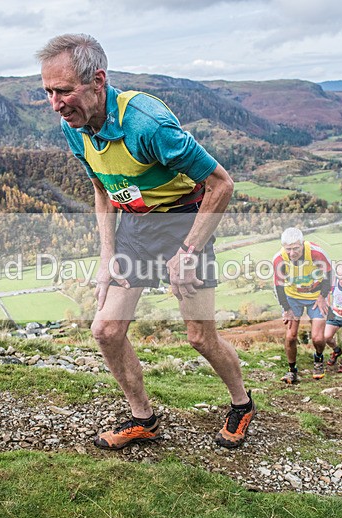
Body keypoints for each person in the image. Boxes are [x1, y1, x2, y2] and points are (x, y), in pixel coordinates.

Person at [37, 34, 254, 450]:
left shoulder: (147, 124)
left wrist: (188, 252)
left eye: (63, 91)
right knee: (106, 330)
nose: (55, 104)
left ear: (98, 81)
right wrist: (107, 255)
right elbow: (102, 188)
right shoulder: (74, 126)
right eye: (48, 92)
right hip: (136, 227)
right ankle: (144, 420)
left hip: (185, 222)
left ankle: (242, 404)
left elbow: (222, 185)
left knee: (200, 337)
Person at [273, 227, 332, 382]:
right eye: (288, 249)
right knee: (291, 336)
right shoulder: (279, 259)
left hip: (315, 297)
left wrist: (323, 296)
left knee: (317, 338)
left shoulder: (316, 253)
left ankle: (318, 359)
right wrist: (286, 309)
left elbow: (329, 275)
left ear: (302, 244)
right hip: (293, 298)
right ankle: (292, 370)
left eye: (296, 248)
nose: (292, 253)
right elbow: (278, 286)